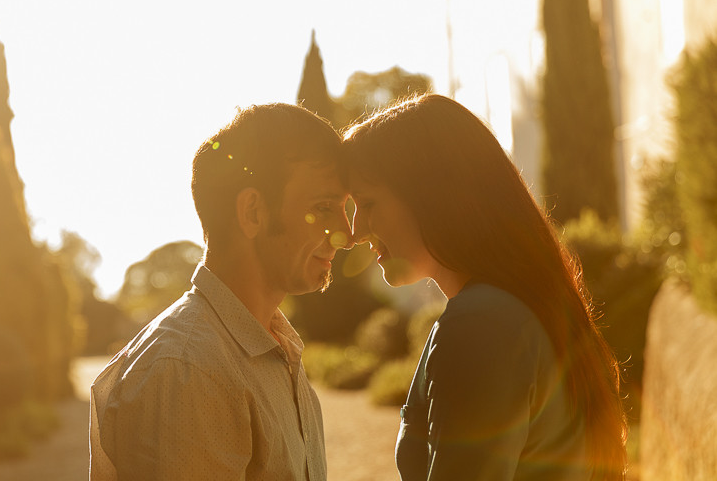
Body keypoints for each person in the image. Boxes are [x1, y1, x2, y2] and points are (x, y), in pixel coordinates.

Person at [342, 93, 626, 480]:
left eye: (368, 203)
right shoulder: (511, 308)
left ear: (431, 197)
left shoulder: (480, 325)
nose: (355, 230)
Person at [90, 103, 352, 481]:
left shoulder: (272, 349)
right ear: (253, 212)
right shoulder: (188, 371)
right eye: (324, 207)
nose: (347, 234)